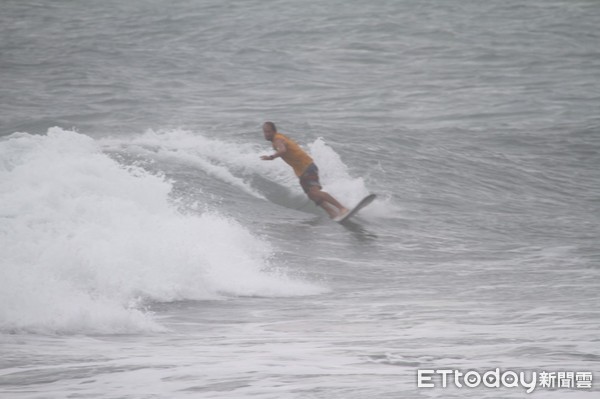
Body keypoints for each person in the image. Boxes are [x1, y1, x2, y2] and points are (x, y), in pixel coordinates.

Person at [260, 121, 349, 219]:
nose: (266, 134)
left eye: (268, 132)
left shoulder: (278, 139)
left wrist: (271, 157)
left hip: (307, 166)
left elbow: (283, 150)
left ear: (274, 131)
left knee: (314, 192)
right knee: (311, 195)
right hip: (301, 171)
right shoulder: (277, 139)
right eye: (265, 132)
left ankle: (342, 208)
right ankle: (332, 213)